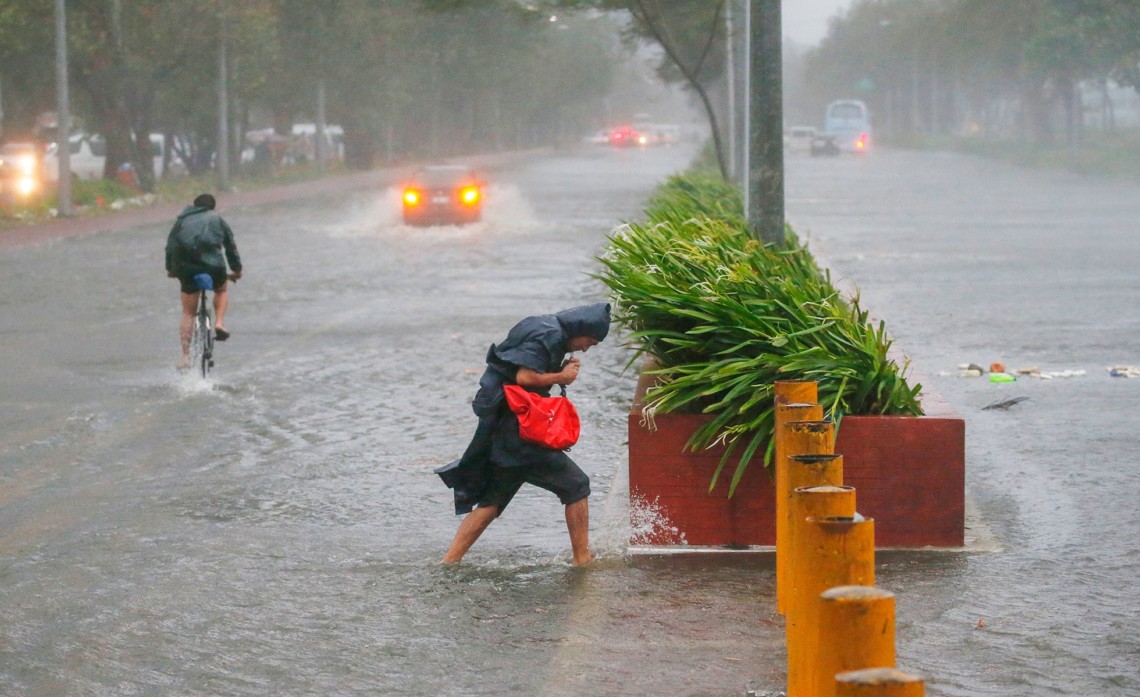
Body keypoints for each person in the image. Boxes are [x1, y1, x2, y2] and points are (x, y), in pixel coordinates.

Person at [436, 302, 612, 567]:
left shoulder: (541, 324)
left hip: (504, 429)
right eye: (590, 341)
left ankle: (449, 561)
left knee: (492, 502)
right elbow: (525, 377)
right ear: (581, 328)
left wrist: (555, 370)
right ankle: (582, 558)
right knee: (576, 485)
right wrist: (561, 376)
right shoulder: (550, 335)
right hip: (520, 434)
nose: (586, 348)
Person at [165, 193, 243, 370]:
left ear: (194, 206)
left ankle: (185, 356)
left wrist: (171, 269)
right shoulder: (217, 219)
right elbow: (230, 246)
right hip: (214, 267)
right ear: (212, 207)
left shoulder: (181, 220)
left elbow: (170, 247)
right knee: (221, 290)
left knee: (188, 312)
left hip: (186, 268)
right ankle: (219, 323)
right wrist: (236, 270)